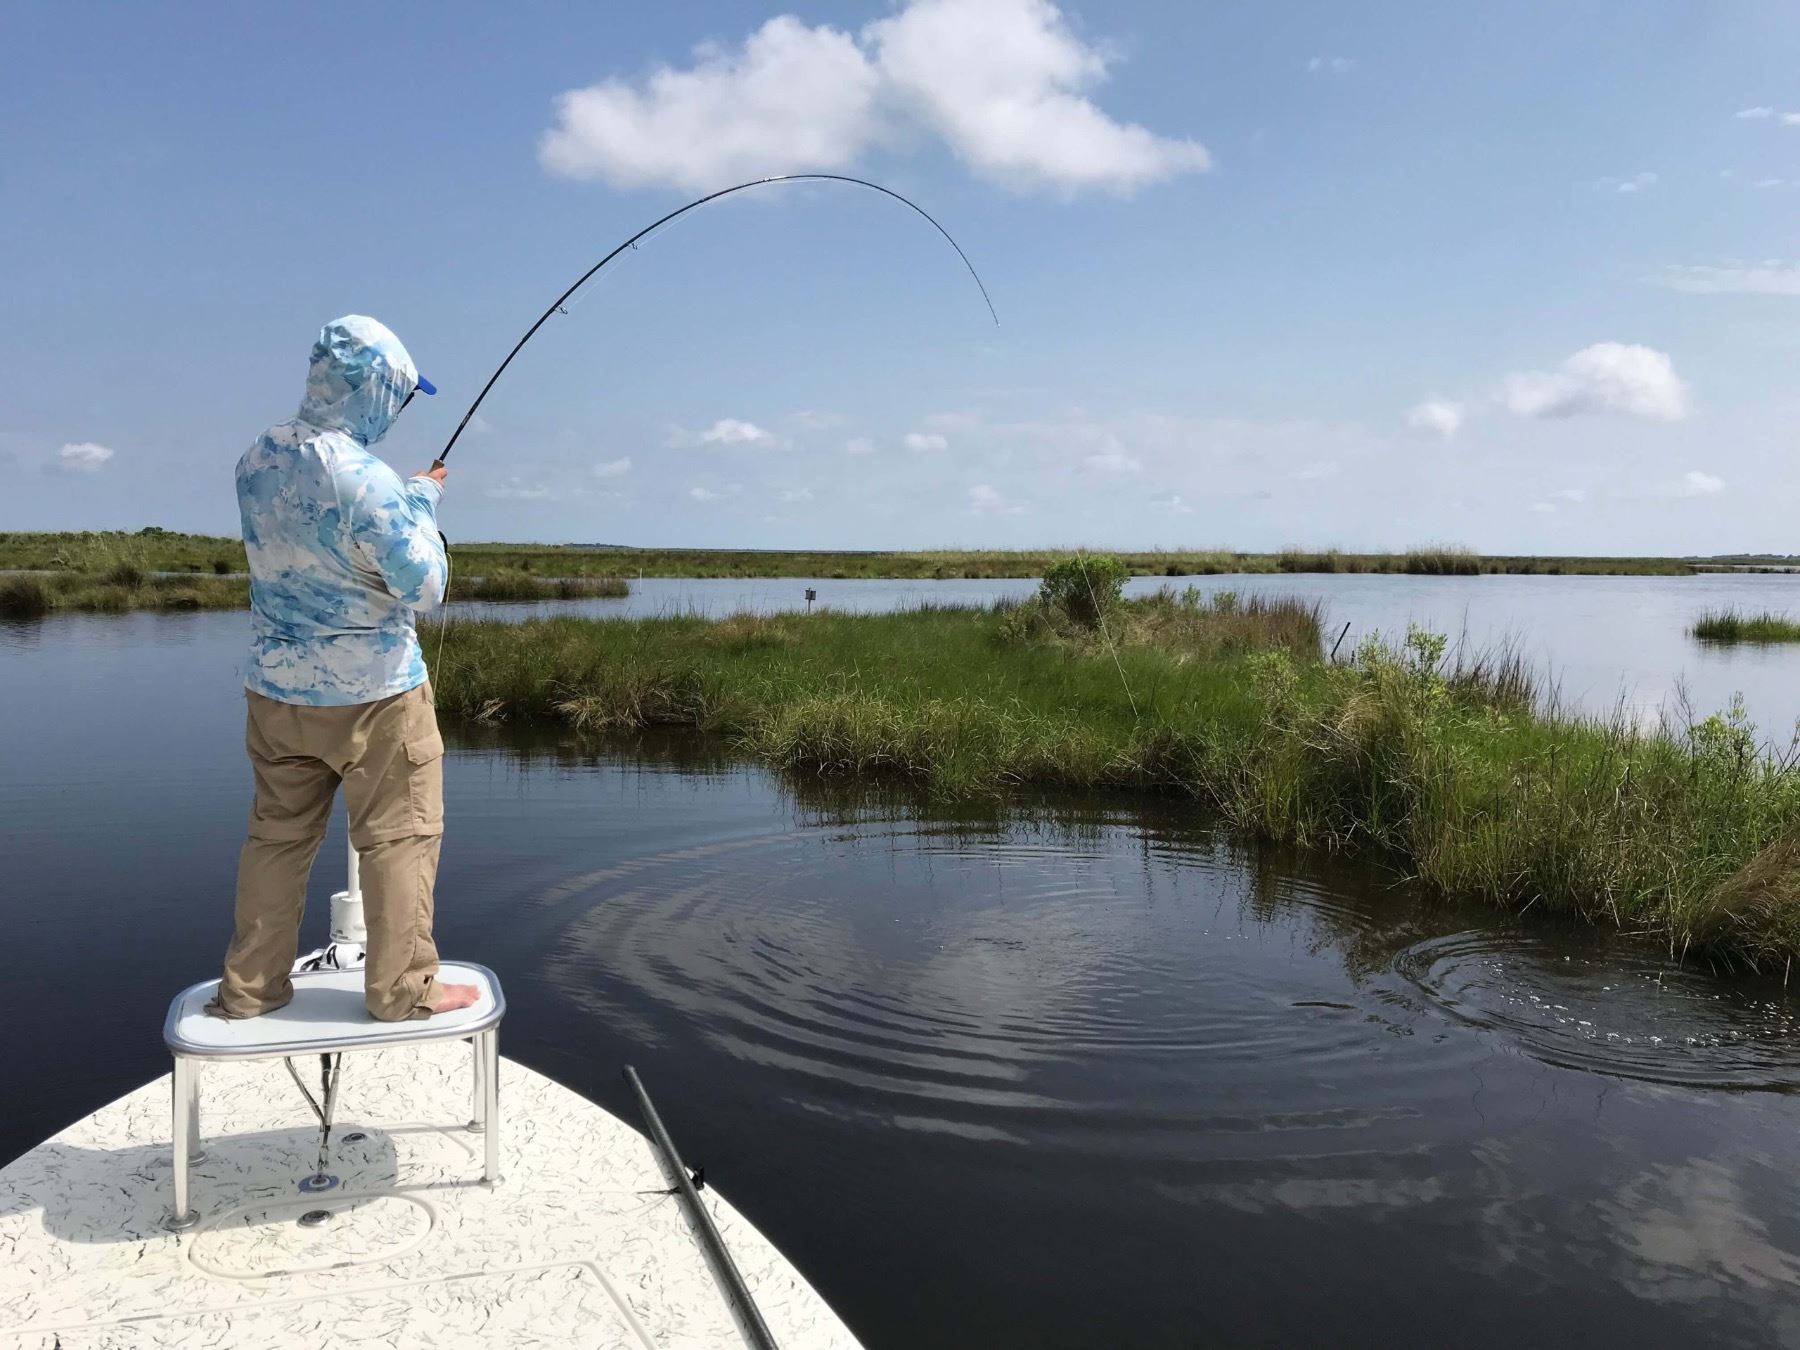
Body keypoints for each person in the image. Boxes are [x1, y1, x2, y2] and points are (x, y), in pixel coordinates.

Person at [210, 315, 478, 1021]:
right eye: (401, 395)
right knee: (399, 839)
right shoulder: (365, 478)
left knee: (276, 839)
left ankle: (249, 989)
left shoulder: (256, 458)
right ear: (377, 389)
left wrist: (411, 497)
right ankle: (403, 992)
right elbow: (424, 585)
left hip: (275, 694)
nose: (399, 409)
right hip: (376, 698)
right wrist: (423, 509)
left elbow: (330, 536)